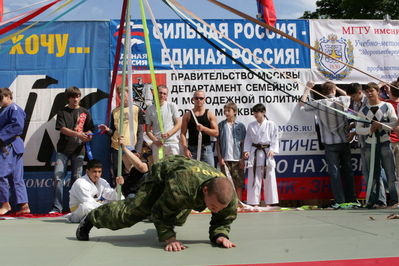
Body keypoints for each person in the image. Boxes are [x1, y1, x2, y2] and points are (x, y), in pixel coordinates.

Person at [75, 155, 237, 252]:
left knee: (178, 217)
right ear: (206, 191)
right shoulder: (183, 186)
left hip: (187, 178)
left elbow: (223, 218)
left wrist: (220, 235)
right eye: (214, 207)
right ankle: (91, 218)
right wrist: (169, 238)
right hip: (164, 173)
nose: (215, 211)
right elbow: (161, 211)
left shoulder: (227, 196)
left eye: (219, 208)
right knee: (135, 211)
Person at [300, 81, 357, 208]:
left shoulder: (319, 103)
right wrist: (336, 87)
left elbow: (301, 104)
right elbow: (349, 96)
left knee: (334, 173)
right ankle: (351, 199)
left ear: (322, 92)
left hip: (330, 143)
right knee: (348, 171)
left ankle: (339, 201)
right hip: (344, 140)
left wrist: (308, 89)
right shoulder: (342, 100)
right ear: (334, 91)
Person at [49, 86, 94, 213]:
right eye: (73, 96)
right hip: (62, 150)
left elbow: (90, 129)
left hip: (79, 150)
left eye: (78, 96)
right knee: (58, 178)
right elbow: (62, 128)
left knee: (77, 179)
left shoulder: (85, 112)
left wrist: (88, 135)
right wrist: (78, 134)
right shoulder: (62, 111)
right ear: (68, 98)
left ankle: (75, 208)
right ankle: (57, 208)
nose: (76, 99)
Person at [356, 82, 399, 208]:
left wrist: (381, 125)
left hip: (386, 143)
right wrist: (370, 130)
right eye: (367, 91)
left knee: (391, 173)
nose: (369, 93)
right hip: (370, 145)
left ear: (378, 91)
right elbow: (358, 129)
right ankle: (379, 200)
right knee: (374, 174)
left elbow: (394, 123)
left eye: (372, 91)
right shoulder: (363, 110)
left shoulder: (387, 106)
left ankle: (395, 200)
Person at [98, 86, 144, 180]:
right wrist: (107, 130)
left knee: (132, 174)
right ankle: (119, 193)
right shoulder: (115, 111)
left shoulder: (136, 109)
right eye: (119, 93)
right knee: (117, 174)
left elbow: (140, 131)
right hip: (116, 147)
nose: (121, 95)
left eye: (123, 93)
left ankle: (130, 194)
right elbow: (113, 131)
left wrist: (138, 150)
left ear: (129, 94)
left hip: (130, 147)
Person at [0, 88, 30, 215]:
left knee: (1, 175)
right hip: (12, 145)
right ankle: (24, 206)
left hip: (9, 145)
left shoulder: (14, 108)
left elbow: (17, 126)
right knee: (16, 178)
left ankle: (5, 203)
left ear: (8, 96)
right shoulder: (4, 110)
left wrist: (0, 137)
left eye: (0, 98)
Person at [243, 103, 279, 207]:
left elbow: (275, 139)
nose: (255, 114)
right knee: (254, 178)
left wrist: (273, 149)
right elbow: (248, 140)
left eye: (257, 112)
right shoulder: (251, 125)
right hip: (255, 154)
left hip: (267, 153)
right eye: (254, 112)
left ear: (263, 112)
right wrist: (246, 150)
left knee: (269, 178)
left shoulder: (271, 124)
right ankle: (254, 202)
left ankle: (270, 202)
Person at [216, 102, 246, 201]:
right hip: (225, 160)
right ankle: (228, 204)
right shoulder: (221, 125)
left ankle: (239, 203)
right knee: (226, 184)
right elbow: (218, 143)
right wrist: (220, 158)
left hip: (237, 159)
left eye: (229, 110)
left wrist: (242, 159)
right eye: (225, 110)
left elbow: (243, 144)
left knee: (238, 183)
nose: (226, 112)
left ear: (235, 112)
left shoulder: (240, 126)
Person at [180, 90, 218, 166]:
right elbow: (182, 134)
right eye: (196, 98)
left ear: (205, 100)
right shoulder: (187, 115)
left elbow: (216, 133)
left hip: (206, 149)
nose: (199, 100)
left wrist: (204, 128)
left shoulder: (209, 114)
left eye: (201, 98)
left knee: (211, 174)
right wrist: (185, 149)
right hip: (192, 150)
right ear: (193, 99)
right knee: (192, 175)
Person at [145, 85, 181, 162]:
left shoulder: (172, 106)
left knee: (173, 168)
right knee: (160, 169)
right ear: (155, 93)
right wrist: (155, 141)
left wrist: (168, 134)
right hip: (158, 145)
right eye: (160, 93)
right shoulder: (149, 109)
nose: (162, 95)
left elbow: (179, 123)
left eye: (164, 94)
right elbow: (147, 130)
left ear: (167, 96)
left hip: (172, 143)